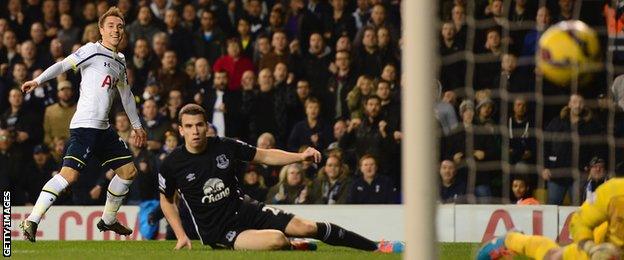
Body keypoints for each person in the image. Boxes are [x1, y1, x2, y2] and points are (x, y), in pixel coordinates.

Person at [159, 104, 402, 252]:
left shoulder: (223, 146)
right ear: (180, 130)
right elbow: (166, 200)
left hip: (245, 209)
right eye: (189, 126)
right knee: (277, 240)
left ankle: (376, 247)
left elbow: (264, 155)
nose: (195, 131)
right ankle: (293, 245)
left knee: (307, 226)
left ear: (205, 126)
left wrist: (300, 157)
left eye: (199, 125)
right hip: (220, 232)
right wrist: (181, 235)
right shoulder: (171, 164)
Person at [19, 7, 147, 242]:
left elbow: (126, 95)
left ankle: (108, 219)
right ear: (101, 29)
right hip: (85, 126)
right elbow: (62, 65)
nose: (116, 30)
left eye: (119, 26)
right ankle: (32, 220)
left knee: (128, 172)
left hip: (104, 129)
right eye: (110, 26)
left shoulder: (120, 60)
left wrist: (137, 125)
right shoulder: (92, 50)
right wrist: (37, 80)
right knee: (69, 175)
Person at [477, 161, 624, 260]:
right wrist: (590, 246)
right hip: (602, 248)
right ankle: (511, 239)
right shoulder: (613, 191)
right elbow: (580, 221)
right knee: (554, 256)